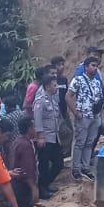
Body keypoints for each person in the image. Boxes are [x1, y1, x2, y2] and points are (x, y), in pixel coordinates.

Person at [70, 55, 104, 181]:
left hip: (95, 116)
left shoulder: (97, 82)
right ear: (86, 67)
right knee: (80, 142)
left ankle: (85, 167)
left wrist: (99, 113)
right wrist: (75, 112)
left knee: (89, 142)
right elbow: (68, 96)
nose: (95, 68)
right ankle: (76, 168)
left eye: (96, 66)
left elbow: (101, 98)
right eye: (93, 66)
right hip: (83, 115)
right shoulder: (78, 80)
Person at [32, 66, 66, 199]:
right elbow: (37, 118)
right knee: (44, 165)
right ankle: (41, 189)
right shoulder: (40, 100)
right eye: (54, 85)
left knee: (58, 163)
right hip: (45, 138)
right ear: (47, 86)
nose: (57, 87)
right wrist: (40, 136)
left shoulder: (53, 98)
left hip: (54, 136)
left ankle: (46, 184)